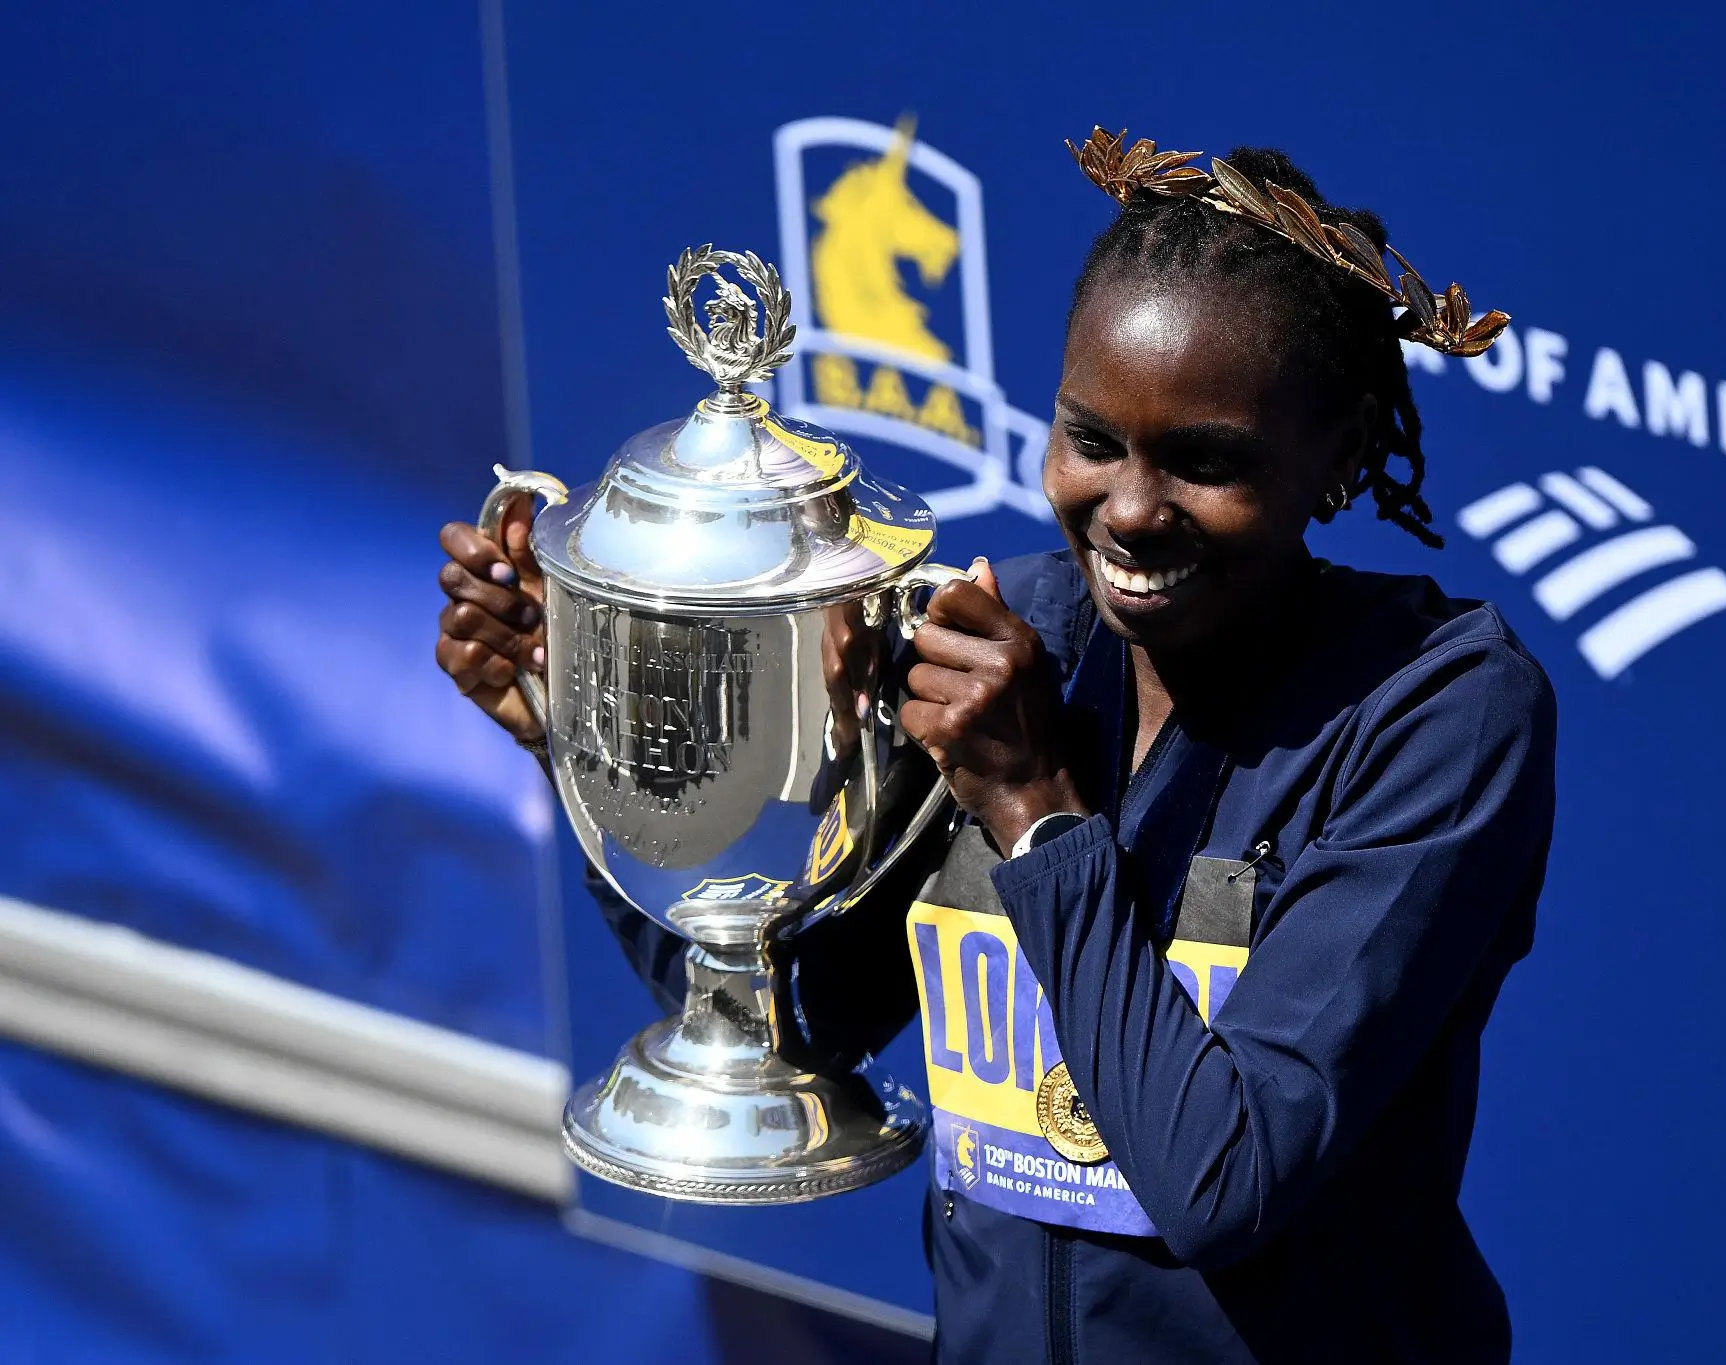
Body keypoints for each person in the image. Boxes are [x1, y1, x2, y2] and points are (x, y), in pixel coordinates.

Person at [437, 132, 1556, 1364]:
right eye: (1091, 440)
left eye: (1205, 462)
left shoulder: (1435, 712)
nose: (1128, 510)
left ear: (1338, 456)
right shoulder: (1013, 633)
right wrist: (577, 736)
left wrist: (1033, 809)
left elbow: (1223, 1179)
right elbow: (794, 1026)